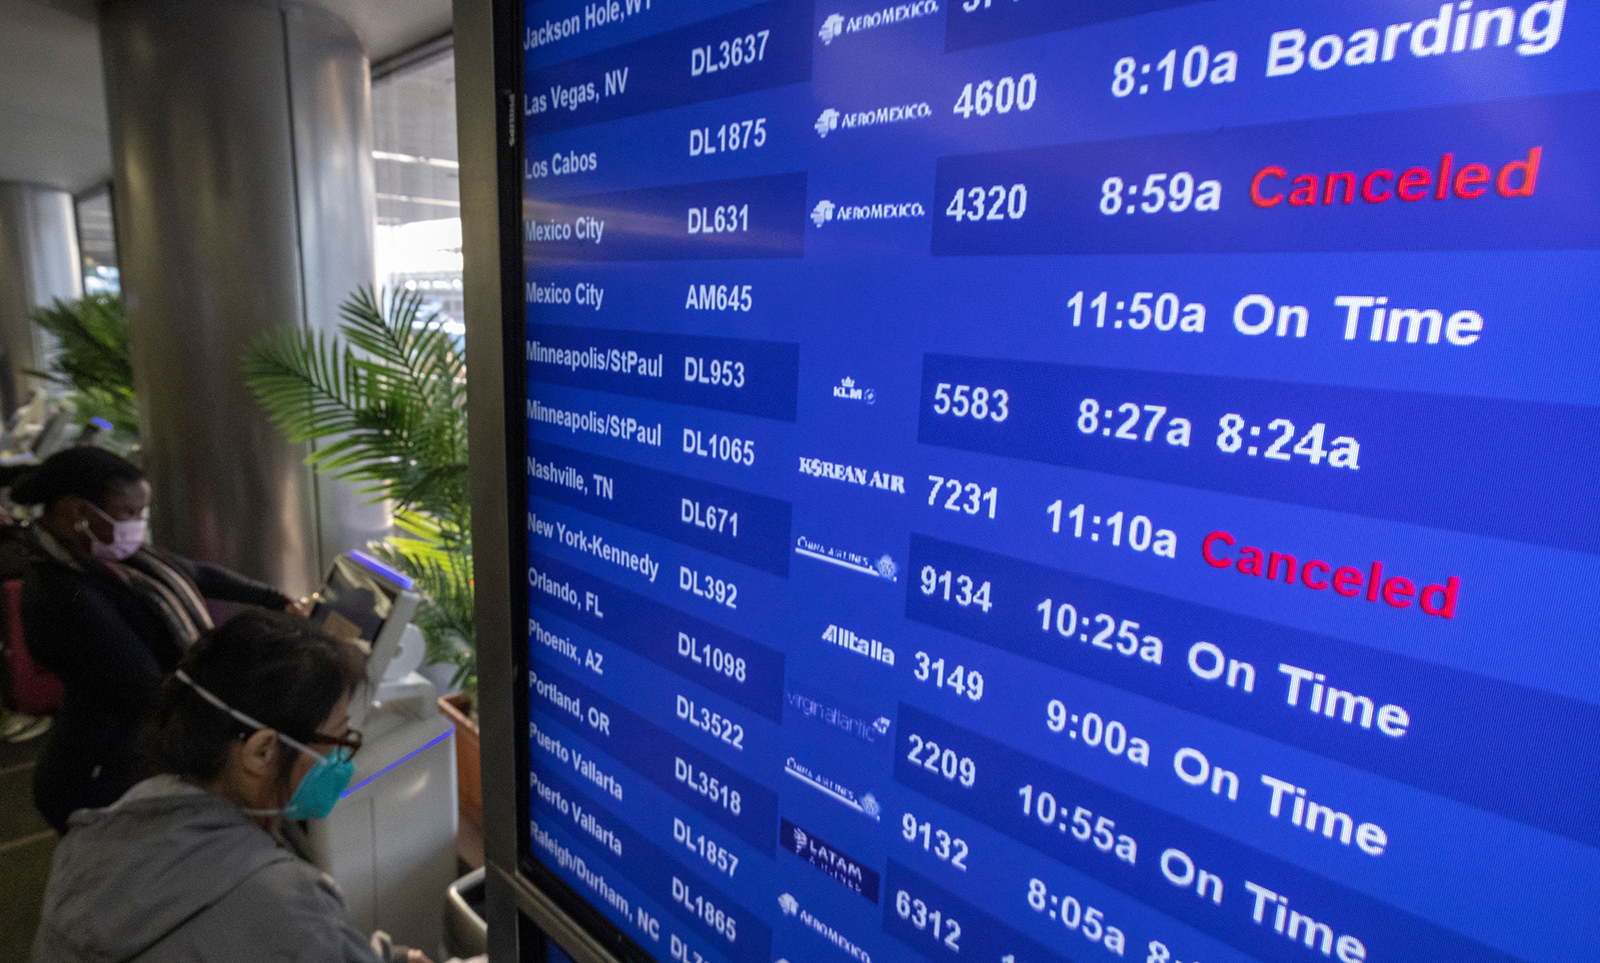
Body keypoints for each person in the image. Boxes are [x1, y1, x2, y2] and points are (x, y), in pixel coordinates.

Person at [32, 610, 427, 963]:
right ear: (262, 751)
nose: (342, 762)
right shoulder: (283, 902)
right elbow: (293, 935)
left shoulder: (103, 828)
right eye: (339, 742)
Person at [12, 446, 309, 832]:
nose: (139, 524)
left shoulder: (116, 559)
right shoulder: (62, 593)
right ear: (77, 513)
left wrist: (280, 601)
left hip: (138, 746)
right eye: (130, 513)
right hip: (101, 775)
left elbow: (198, 574)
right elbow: (150, 687)